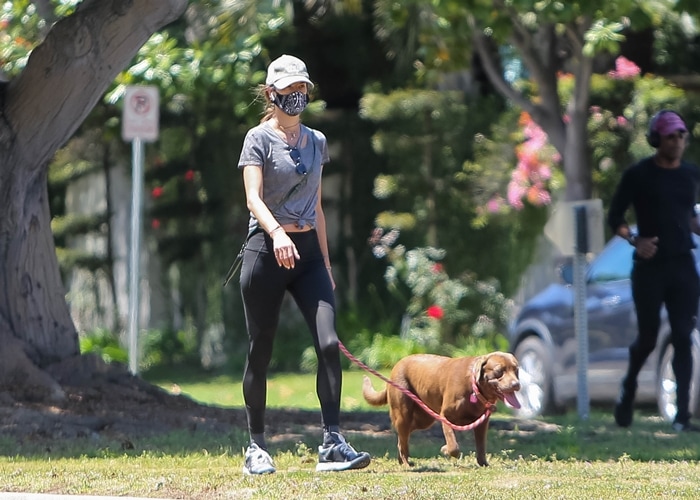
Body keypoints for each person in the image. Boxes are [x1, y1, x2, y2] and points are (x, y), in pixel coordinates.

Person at [236, 54, 371, 474]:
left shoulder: (317, 141)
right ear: (271, 93)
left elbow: (317, 205)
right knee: (261, 350)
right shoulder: (257, 138)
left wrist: (326, 263)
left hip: (308, 253)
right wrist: (276, 233)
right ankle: (256, 446)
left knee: (329, 344)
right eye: (288, 90)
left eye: (302, 89)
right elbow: (253, 198)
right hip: (266, 251)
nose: (296, 97)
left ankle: (332, 442)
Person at [607, 109, 700, 432]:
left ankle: (682, 418)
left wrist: (695, 226)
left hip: (683, 265)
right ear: (656, 139)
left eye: (681, 135)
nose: (677, 141)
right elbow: (614, 218)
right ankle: (629, 387)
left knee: (683, 336)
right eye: (670, 135)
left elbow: (688, 217)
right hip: (650, 267)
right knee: (647, 338)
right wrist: (635, 240)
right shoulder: (638, 175)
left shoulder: (691, 175)